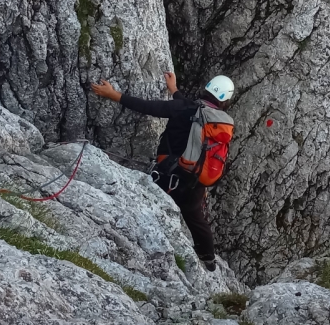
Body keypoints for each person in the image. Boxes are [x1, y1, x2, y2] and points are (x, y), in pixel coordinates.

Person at [91, 72, 235, 272]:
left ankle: (148, 252)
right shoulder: (219, 122)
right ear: (224, 101)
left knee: (149, 209)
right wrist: (174, 90)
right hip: (197, 179)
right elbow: (189, 109)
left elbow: (149, 107)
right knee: (195, 218)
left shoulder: (183, 108)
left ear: (206, 88)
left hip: (170, 177)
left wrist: (113, 94)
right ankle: (208, 259)